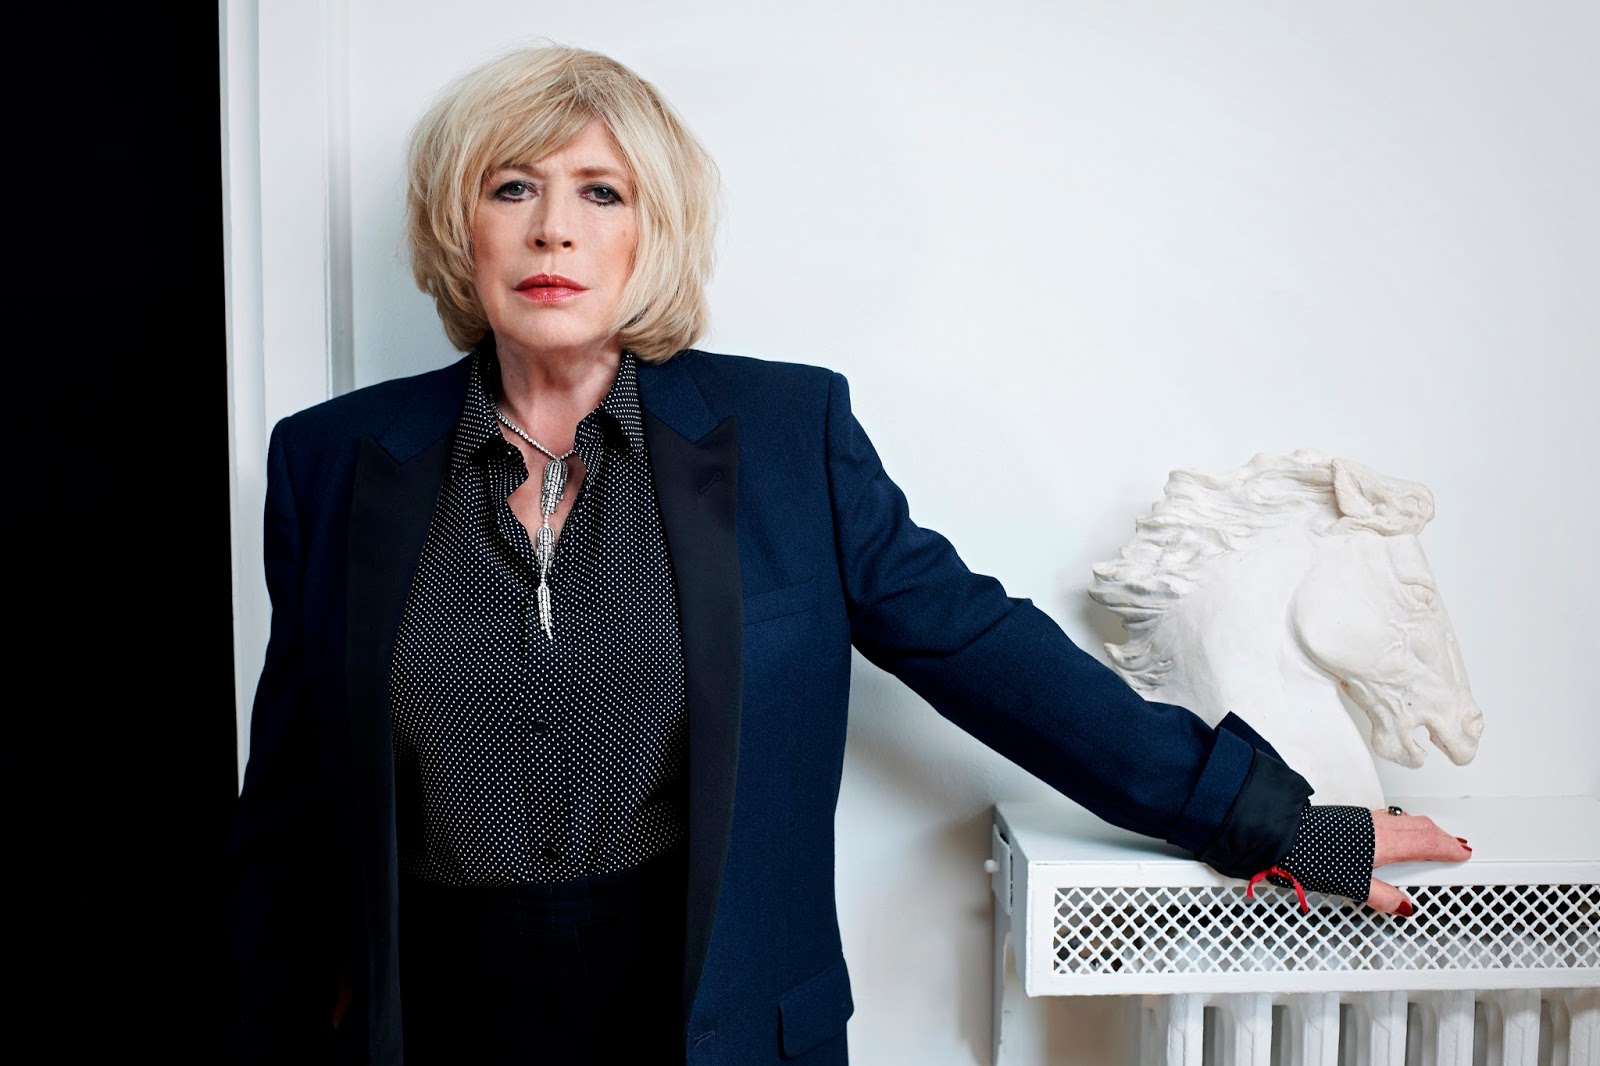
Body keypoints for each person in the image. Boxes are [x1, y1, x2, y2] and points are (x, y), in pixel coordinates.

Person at [222, 43, 1472, 1064]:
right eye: (512, 188)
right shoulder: (334, 463)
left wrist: (1267, 819)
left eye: (601, 192)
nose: (554, 230)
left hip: (710, 1029)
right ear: (460, 226)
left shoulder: (783, 435)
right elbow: (289, 805)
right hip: (436, 1029)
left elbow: (978, 645)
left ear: (653, 233)